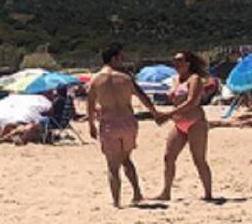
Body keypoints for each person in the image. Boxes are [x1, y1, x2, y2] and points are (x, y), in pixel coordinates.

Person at [87, 43, 157, 208]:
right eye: (120, 57)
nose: (122, 60)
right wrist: (154, 113)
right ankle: (137, 193)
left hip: (109, 124)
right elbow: (142, 96)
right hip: (128, 123)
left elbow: (90, 105)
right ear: (113, 58)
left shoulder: (95, 80)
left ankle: (117, 201)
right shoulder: (125, 78)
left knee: (113, 166)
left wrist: (91, 125)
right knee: (126, 159)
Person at [153, 51, 214, 201]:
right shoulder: (175, 80)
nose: (176, 63)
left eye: (180, 60)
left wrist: (168, 114)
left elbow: (192, 101)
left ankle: (208, 194)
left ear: (188, 63)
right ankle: (166, 192)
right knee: (168, 157)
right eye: (174, 60)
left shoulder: (195, 79)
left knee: (198, 159)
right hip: (179, 124)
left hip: (195, 123)